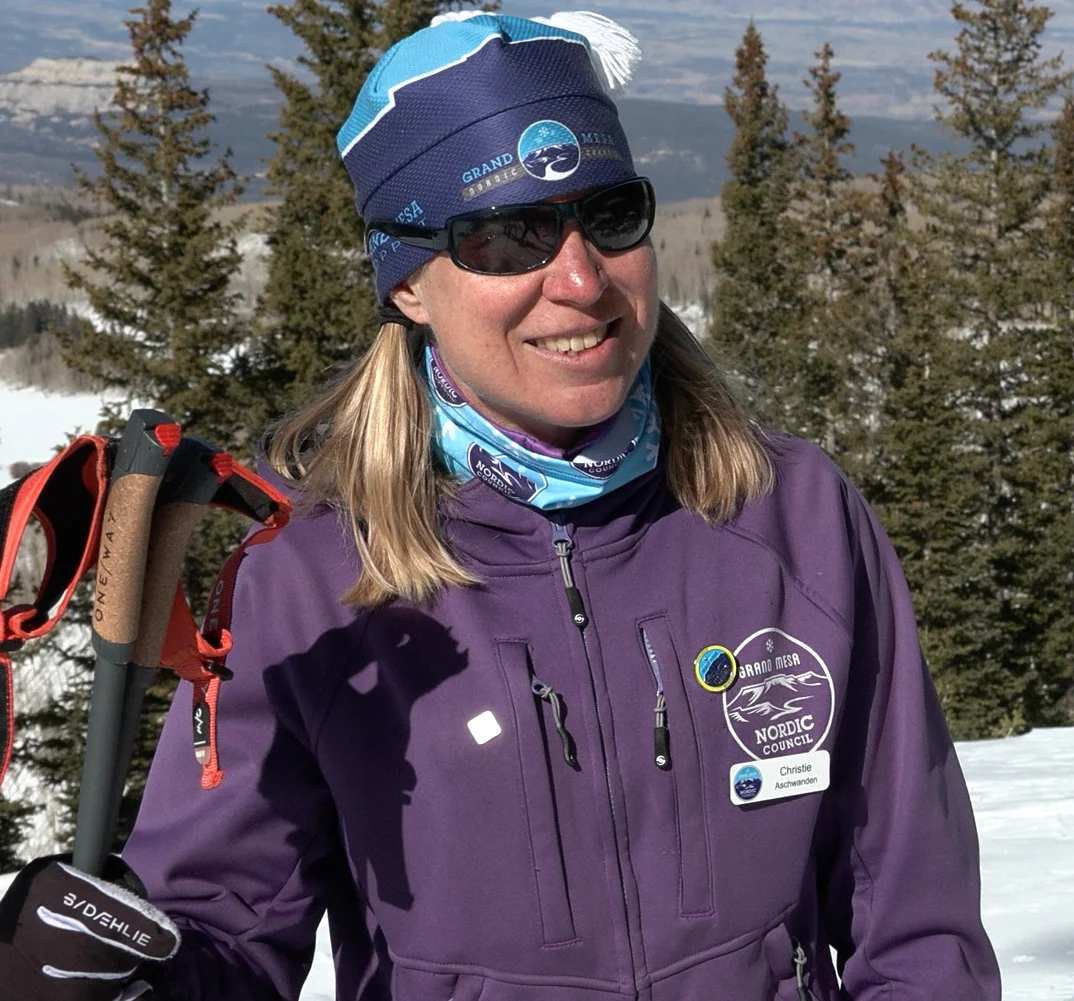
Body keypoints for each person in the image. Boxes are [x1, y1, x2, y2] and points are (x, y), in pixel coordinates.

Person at [0, 11, 1000, 1000]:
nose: (578, 278)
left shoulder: (795, 519)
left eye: (608, 214)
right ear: (410, 285)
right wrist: (124, 976)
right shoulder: (309, 583)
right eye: (507, 234)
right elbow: (224, 930)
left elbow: (915, 921)